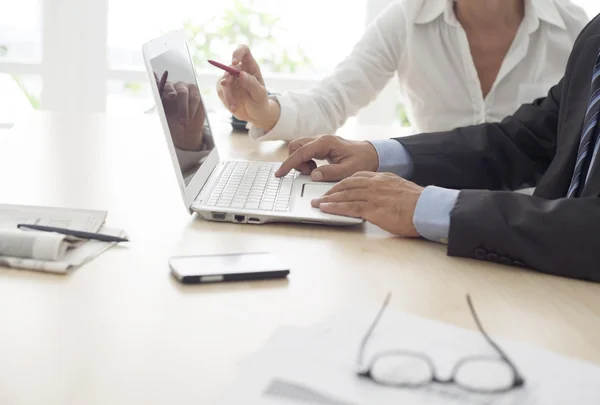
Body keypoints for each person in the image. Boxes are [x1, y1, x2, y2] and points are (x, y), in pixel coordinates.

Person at [273, 14, 600, 282]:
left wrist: (431, 207)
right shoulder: (595, 37)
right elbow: (521, 141)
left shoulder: (571, 24)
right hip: (545, 283)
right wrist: (377, 155)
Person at [217, 0, 588, 141]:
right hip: (430, 218)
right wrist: (266, 111)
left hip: (532, 231)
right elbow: (330, 102)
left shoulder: (574, 30)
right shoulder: (406, 20)